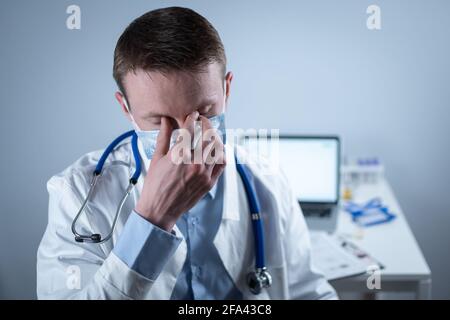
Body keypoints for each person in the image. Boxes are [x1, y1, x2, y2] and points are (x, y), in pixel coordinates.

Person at [37, 6, 337, 300]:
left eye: (204, 112)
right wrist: (152, 219)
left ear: (227, 91)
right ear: (125, 108)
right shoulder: (76, 193)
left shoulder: (267, 180)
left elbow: (307, 290)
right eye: (159, 121)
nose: (186, 135)